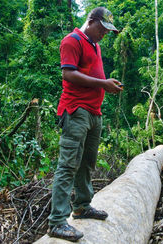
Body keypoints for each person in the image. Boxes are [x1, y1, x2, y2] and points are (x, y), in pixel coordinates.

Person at [47, 7, 122, 242]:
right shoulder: (72, 41)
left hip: (94, 112)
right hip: (75, 110)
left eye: (108, 31)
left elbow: (93, 75)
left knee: (87, 163)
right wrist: (103, 84)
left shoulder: (95, 44)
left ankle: (82, 206)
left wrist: (106, 85)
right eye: (103, 28)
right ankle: (57, 222)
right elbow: (68, 74)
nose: (105, 34)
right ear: (91, 21)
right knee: (68, 164)